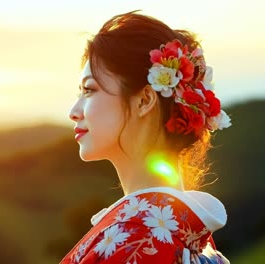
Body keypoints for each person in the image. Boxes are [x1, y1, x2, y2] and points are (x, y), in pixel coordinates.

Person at [61, 11, 231, 264]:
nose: (73, 113)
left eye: (89, 90)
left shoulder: (132, 241)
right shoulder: (188, 233)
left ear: (144, 100)